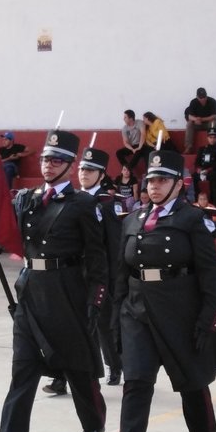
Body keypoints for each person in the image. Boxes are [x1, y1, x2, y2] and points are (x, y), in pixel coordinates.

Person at [100, 149, 216, 432]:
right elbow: (122, 273)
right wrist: (117, 317)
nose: (155, 186)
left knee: (191, 383)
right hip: (137, 310)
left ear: (179, 184)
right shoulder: (132, 219)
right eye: (151, 180)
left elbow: (210, 273)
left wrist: (208, 318)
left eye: (162, 180)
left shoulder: (193, 220)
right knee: (136, 383)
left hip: (179, 310)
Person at [0, 130, 108, 432]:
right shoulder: (29, 198)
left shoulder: (83, 204)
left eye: (56, 160)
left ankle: (93, 424)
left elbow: (97, 258)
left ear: (70, 164)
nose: (48, 165)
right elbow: (7, 235)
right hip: (31, 290)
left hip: (66, 292)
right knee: (23, 367)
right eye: (45, 159)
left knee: (78, 367)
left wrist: (96, 299)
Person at [77, 147, 123, 386]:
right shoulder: (72, 200)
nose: (84, 173)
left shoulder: (107, 203)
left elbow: (113, 244)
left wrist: (111, 279)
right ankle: (68, 375)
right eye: (82, 168)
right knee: (75, 324)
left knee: (103, 324)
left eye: (90, 170)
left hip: (100, 273)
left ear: (102, 175)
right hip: (75, 273)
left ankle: (114, 366)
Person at [192, 131, 216, 206]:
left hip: (214, 170)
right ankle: (197, 199)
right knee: (193, 177)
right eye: (210, 137)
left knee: (215, 177)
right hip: (202, 170)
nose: (212, 139)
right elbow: (197, 161)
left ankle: (214, 202)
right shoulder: (202, 149)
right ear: (207, 138)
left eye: (214, 138)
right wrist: (199, 169)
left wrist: (208, 170)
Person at [184, 87, 216, 154]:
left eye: (204, 97)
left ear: (206, 95)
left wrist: (202, 119)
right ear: (197, 97)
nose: (203, 99)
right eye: (201, 98)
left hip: (208, 123)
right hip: (198, 124)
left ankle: (213, 145)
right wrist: (195, 119)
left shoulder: (212, 101)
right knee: (189, 124)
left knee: (213, 123)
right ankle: (188, 147)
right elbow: (189, 116)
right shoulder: (193, 102)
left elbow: (214, 116)